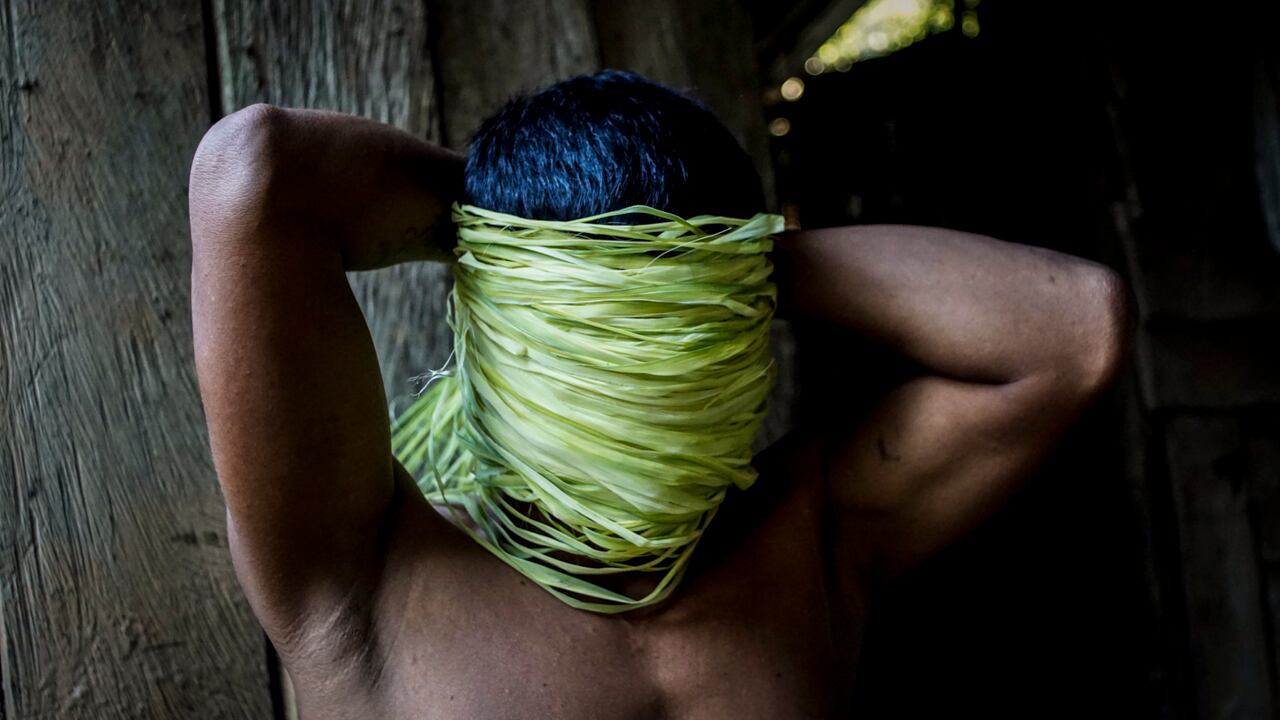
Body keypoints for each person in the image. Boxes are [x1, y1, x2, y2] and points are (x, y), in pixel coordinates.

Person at [188, 70, 1131, 719]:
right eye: (598, 347)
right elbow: (256, 172)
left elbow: (1075, 331)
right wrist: (514, 229)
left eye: (678, 342)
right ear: (510, 336)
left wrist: (706, 265)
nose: (639, 388)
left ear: (740, 331)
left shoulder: (809, 542)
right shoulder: (362, 575)